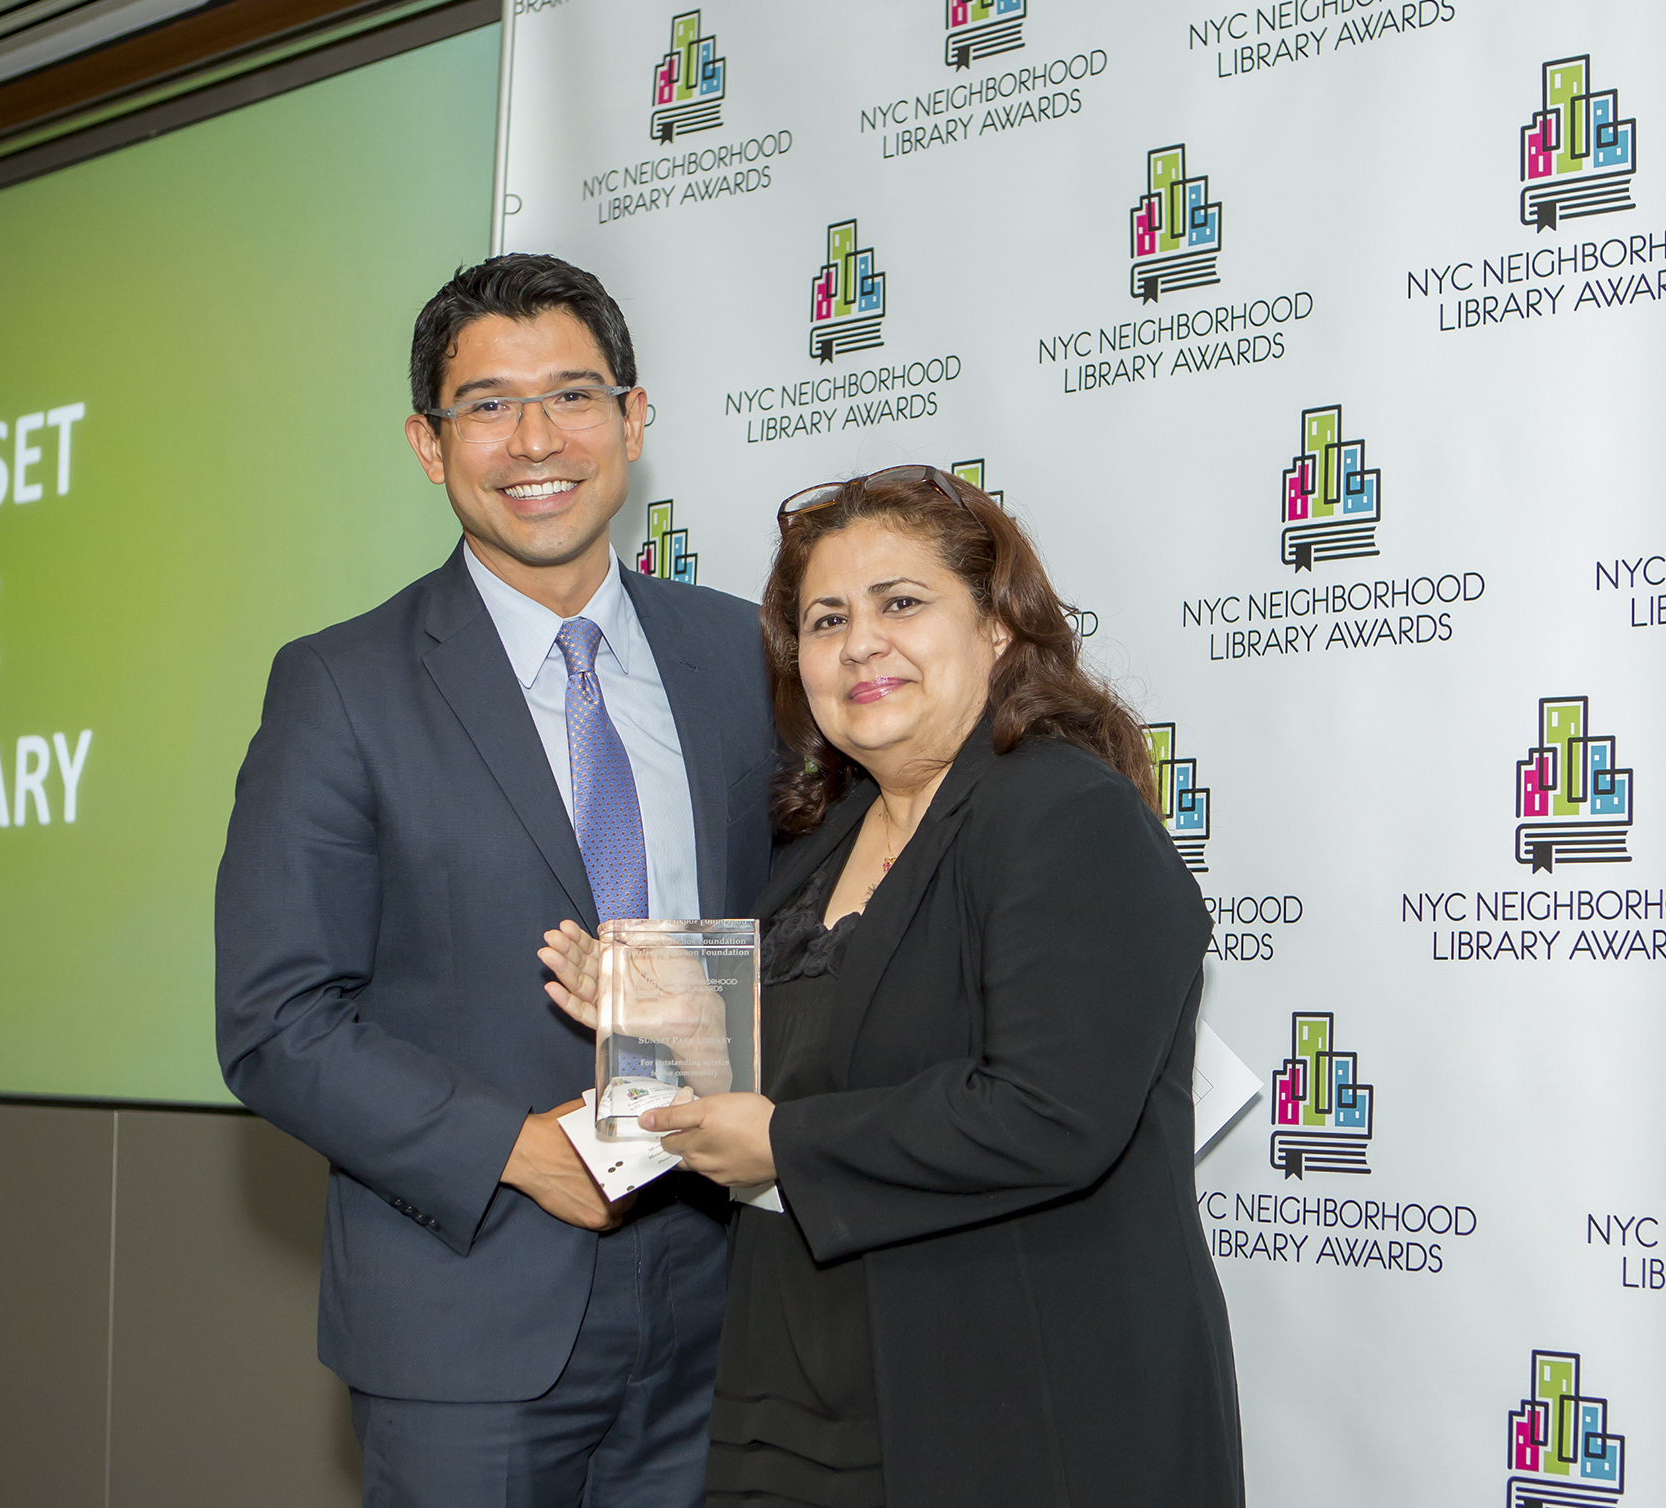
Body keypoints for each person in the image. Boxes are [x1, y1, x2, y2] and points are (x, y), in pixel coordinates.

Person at [543, 465, 1244, 1506]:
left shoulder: (1065, 816)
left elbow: (1048, 1113)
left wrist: (782, 1143)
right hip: (796, 1381)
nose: (859, 641)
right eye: (826, 619)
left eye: (901, 603)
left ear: (998, 630)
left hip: (1014, 1404)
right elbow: (831, 1058)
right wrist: (671, 1027)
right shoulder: (818, 842)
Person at [215, 254, 776, 1507]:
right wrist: (516, 1150)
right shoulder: (340, 688)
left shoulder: (743, 654)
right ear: (429, 443)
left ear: (634, 418)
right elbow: (275, 1018)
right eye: (487, 404)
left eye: (575, 395)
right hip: (468, 1314)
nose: (536, 439)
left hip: (727, 1299)